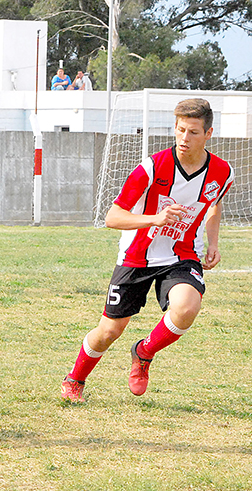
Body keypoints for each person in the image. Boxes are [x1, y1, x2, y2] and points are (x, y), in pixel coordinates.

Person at [60, 99, 235, 403]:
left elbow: (214, 206)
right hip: (136, 256)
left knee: (187, 307)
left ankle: (144, 352)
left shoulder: (222, 172)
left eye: (193, 132)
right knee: (109, 331)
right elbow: (112, 217)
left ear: (208, 134)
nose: (184, 138)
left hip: (182, 255)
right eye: (180, 129)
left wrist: (214, 242)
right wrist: (155, 218)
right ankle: (75, 379)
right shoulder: (151, 167)